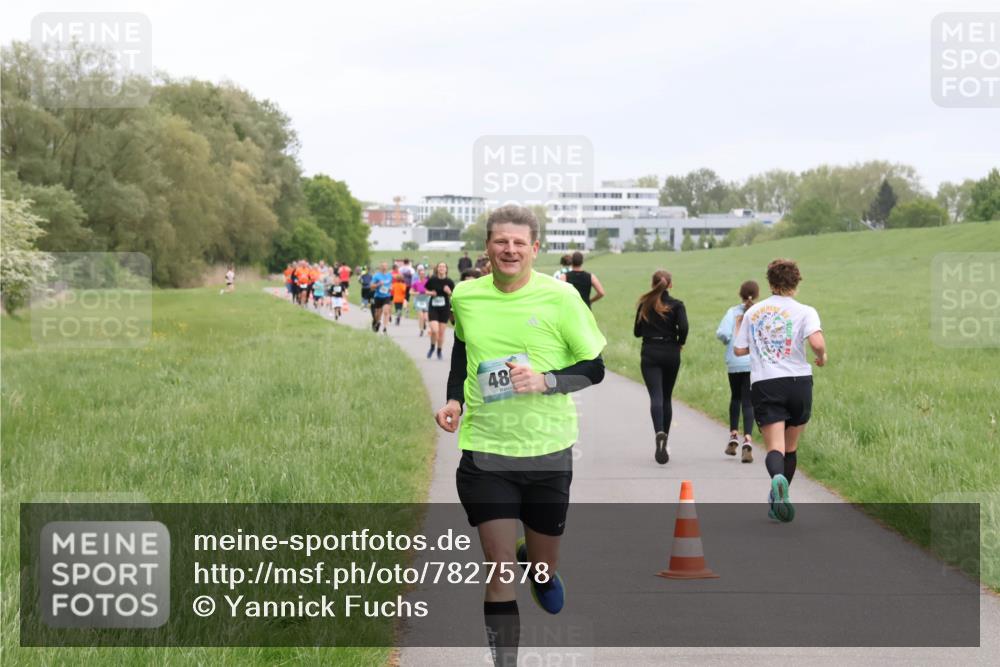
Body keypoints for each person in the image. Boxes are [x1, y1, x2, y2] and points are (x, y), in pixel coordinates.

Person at [434, 205, 606, 667]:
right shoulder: (467, 297)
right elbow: (462, 353)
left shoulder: (562, 298)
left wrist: (546, 380)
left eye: (518, 243)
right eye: (500, 241)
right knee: (498, 566)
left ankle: (541, 567)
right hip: (486, 451)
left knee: (541, 564)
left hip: (548, 451)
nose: (509, 249)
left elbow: (595, 368)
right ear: (488, 247)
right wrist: (455, 400)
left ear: (534, 248)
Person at [734, 259, 827, 523]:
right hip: (799, 383)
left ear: (770, 282)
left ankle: (777, 482)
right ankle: (779, 499)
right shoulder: (806, 311)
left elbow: (738, 350)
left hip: (766, 383)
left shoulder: (754, 312)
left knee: (776, 447)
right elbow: (817, 342)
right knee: (791, 446)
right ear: (796, 283)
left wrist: (760, 344)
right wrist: (821, 356)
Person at [633, 270, 688, 465]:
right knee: (666, 397)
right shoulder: (677, 305)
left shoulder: (644, 304)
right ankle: (665, 440)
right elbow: (684, 327)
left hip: (650, 352)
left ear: (652, 284)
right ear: (670, 285)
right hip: (671, 352)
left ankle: (659, 431)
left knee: (655, 396)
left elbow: (637, 332)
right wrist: (680, 342)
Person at [716, 280, 759, 463]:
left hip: (734, 361)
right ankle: (747, 440)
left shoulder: (732, 312)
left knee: (735, 398)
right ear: (756, 295)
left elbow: (722, 333)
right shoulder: (759, 311)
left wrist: (729, 341)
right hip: (752, 362)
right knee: (748, 402)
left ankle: (733, 435)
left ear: (739, 294)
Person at [425, 261, 455, 359]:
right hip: (433, 307)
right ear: (437, 269)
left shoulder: (449, 282)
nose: (441, 268)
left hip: (444, 309)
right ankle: (432, 347)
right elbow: (424, 290)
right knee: (434, 330)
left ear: (446, 269)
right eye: (440, 266)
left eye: (443, 267)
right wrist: (430, 293)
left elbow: (454, 296)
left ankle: (439, 351)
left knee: (441, 332)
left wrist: (449, 292)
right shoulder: (432, 280)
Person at [370, 262, 394, 334]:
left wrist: (391, 288)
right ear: (380, 267)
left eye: (385, 266)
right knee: (378, 314)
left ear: (387, 267)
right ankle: (377, 322)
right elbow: (371, 287)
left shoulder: (389, 275)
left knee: (386, 311)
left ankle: (385, 327)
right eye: (383, 266)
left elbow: (391, 284)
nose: (384, 267)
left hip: (387, 296)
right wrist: (378, 284)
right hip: (378, 296)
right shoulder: (376, 276)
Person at [411, 266, 430, 336]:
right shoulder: (416, 283)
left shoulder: (428, 282)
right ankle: (421, 330)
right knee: (421, 316)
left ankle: (424, 323)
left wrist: (428, 292)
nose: (422, 276)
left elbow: (432, 290)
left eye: (423, 274)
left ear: (425, 275)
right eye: (421, 274)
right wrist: (416, 293)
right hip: (418, 301)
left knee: (426, 318)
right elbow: (411, 292)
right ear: (419, 275)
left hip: (426, 301)